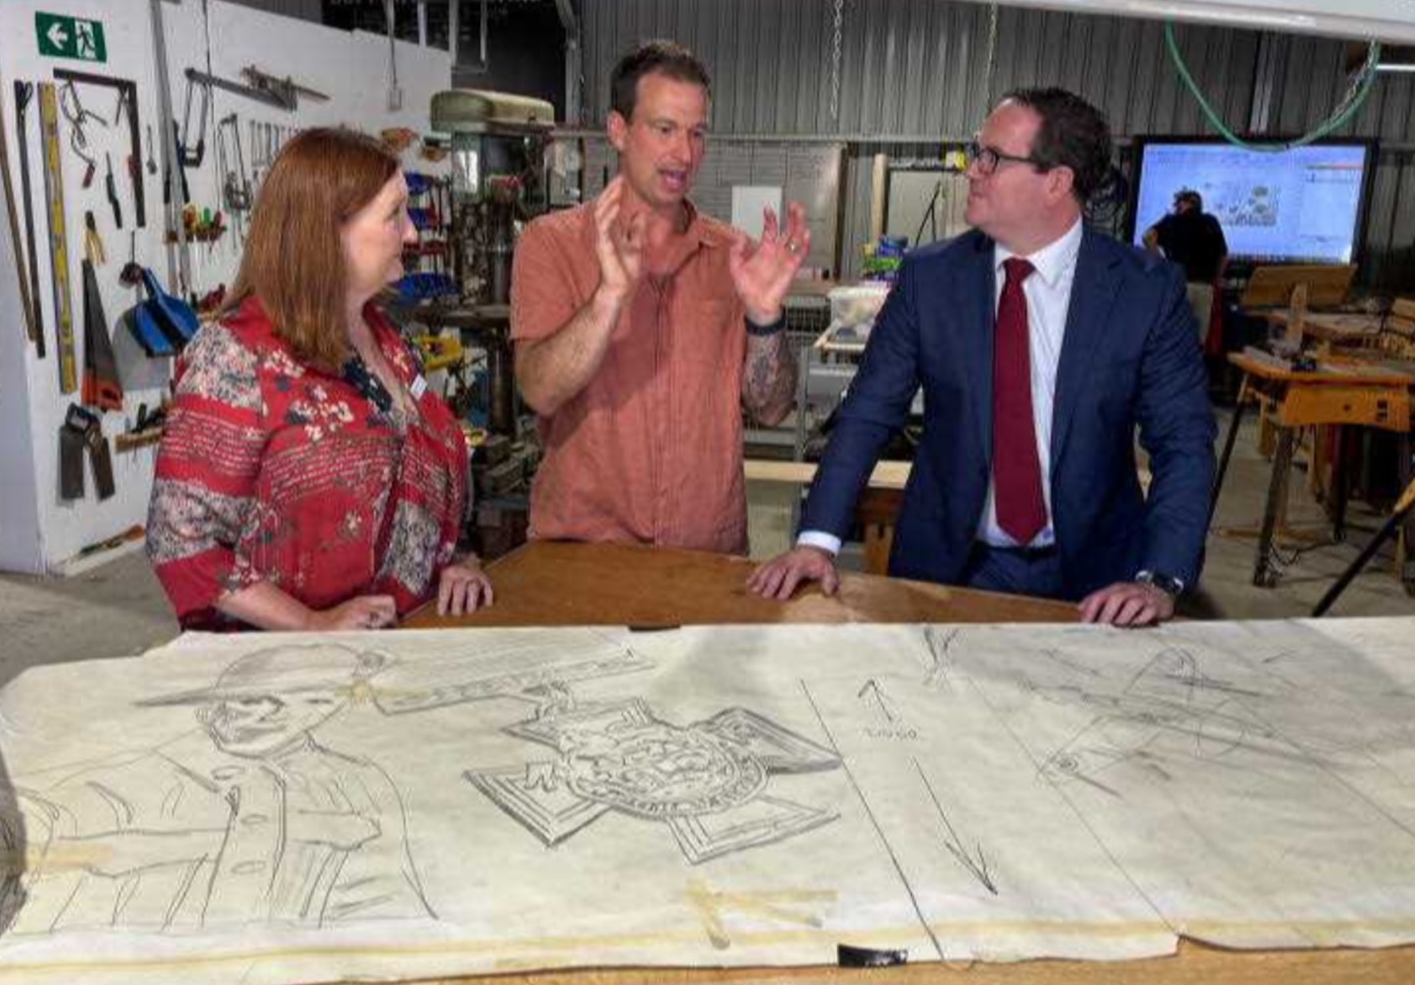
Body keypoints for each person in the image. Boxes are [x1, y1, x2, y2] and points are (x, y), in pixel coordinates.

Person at [750, 88, 1215, 627]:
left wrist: (1159, 576)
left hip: (1096, 578)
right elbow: (868, 414)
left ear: (1057, 182)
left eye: (992, 158)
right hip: (950, 568)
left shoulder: (1144, 291)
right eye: (977, 152)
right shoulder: (930, 278)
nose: (972, 170)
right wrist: (818, 539)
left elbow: (1183, 442)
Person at [147, 127, 493, 631]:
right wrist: (311, 623)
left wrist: (456, 561)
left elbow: (424, 471)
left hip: (396, 648)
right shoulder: (237, 359)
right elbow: (179, 536)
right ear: (327, 232)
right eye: (394, 215)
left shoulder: (387, 340)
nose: (413, 233)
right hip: (282, 676)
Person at [510, 41, 805, 556]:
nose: (685, 154)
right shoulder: (551, 242)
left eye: (696, 133)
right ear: (618, 130)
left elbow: (773, 407)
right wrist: (609, 297)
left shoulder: (733, 258)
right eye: (664, 129)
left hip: (706, 558)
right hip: (584, 559)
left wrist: (764, 318)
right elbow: (539, 390)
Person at [9, 643, 434, 932]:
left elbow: (389, 902)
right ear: (217, 702)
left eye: (315, 701)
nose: (272, 716)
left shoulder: (356, 782)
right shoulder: (125, 782)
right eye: (254, 699)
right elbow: (39, 844)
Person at [1143, 189, 1229, 345]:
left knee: (1173, 338)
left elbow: (1147, 237)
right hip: (1205, 288)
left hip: (1179, 286)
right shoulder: (1211, 221)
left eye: (1177, 204)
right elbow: (1224, 256)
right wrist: (1217, 278)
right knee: (1197, 343)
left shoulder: (1172, 221)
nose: (1175, 207)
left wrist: (1162, 263)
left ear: (1184, 203)